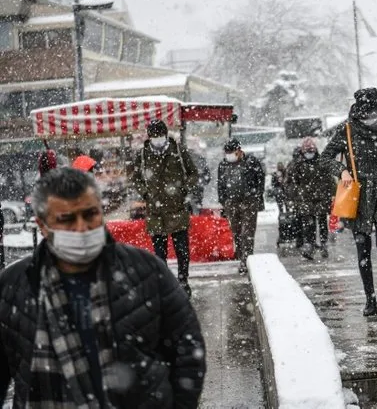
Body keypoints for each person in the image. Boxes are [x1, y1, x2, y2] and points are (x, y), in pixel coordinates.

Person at [0, 167, 206, 407]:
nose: (82, 227)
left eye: (90, 214)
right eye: (66, 219)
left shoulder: (147, 270)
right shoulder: (13, 285)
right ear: (43, 225)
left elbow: (188, 351)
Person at [321, 88, 377, 317]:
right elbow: (326, 157)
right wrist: (342, 171)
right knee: (364, 251)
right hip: (359, 197)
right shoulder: (348, 130)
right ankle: (370, 300)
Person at [131, 119, 199, 297]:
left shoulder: (177, 150)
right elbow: (136, 177)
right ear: (149, 137)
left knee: (182, 250)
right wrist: (145, 193)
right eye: (154, 136)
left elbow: (193, 173)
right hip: (155, 212)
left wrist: (184, 189)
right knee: (159, 254)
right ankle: (166, 285)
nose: (157, 139)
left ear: (166, 135)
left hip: (177, 208)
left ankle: (183, 281)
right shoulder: (143, 155)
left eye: (160, 135)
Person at [217, 138, 265, 274]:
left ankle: (246, 259)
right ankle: (241, 253)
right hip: (231, 203)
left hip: (249, 201)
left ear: (238, 151)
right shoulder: (223, 165)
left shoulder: (251, 162)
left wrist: (256, 196)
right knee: (237, 232)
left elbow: (260, 179)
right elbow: (220, 185)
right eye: (227, 152)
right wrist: (224, 201)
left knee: (247, 232)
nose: (229, 155)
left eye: (231, 152)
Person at [285, 137, 335, 260]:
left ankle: (323, 243)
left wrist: (332, 193)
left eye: (311, 151)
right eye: (307, 151)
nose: (309, 154)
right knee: (309, 224)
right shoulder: (297, 165)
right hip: (305, 199)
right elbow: (290, 182)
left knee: (322, 222)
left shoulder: (322, 163)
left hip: (321, 198)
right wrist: (295, 195)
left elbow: (330, 180)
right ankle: (310, 245)